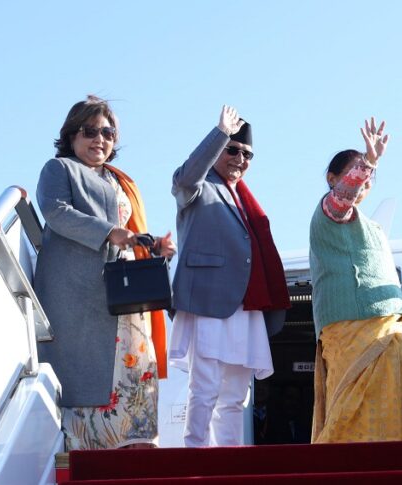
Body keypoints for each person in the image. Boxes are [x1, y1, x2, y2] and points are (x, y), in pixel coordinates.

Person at [34, 95, 176, 450]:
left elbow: (127, 230)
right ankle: (87, 450)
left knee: (135, 368)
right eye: (90, 131)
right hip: (79, 292)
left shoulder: (119, 180)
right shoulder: (59, 169)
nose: (100, 139)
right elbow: (55, 211)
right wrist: (109, 232)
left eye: (108, 133)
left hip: (123, 293)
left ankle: (137, 447)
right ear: (71, 135)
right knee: (86, 373)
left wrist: (152, 246)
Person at [309, 118, 402, 443]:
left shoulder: (372, 226)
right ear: (332, 178)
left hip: (389, 327)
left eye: (368, 177)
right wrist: (369, 161)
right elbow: (342, 199)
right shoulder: (328, 214)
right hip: (353, 329)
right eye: (355, 173)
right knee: (353, 413)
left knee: (398, 411)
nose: (364, 181)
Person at [169, 105, 290, 447]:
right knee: (204, 386)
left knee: (236, 395)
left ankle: (230, 459)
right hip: (210, 299)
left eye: (247, 154)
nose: (240, 159)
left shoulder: (244, 197)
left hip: (246, 304)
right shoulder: (198, 186)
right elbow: (185, 178)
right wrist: (220, 133)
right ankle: (196, 455)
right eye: (233, 150)